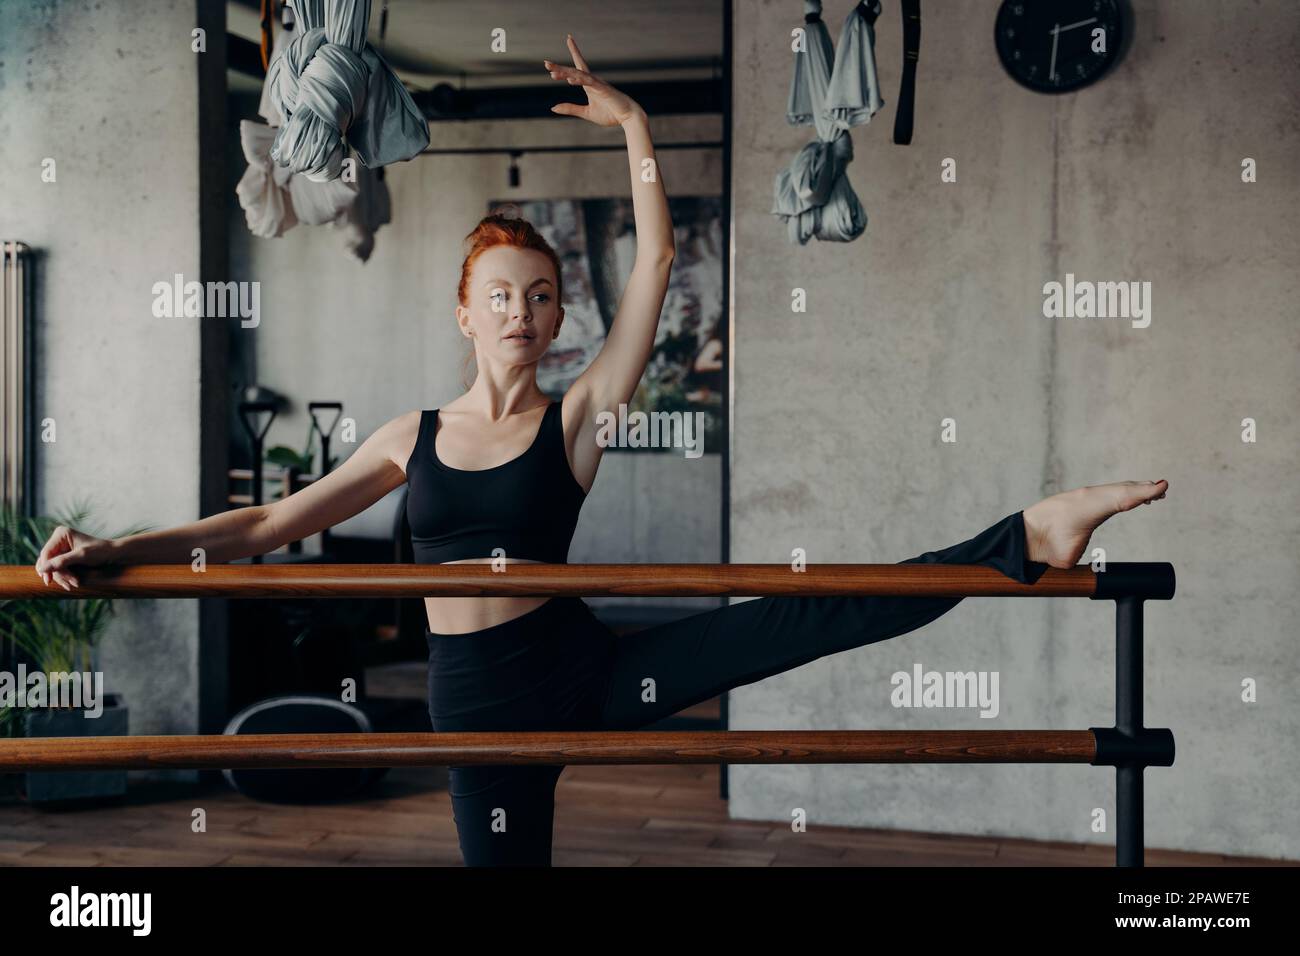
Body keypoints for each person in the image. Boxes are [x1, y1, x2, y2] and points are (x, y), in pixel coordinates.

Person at [33, 36, 1168, 867]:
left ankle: (1025, 533)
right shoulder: (408, 436)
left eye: (541, 295)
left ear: (557, 313)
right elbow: (263, 527)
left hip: (578, 669)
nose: (524, 311)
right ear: (463, 310)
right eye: (501, 296)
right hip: (470, 703)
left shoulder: (576, 416)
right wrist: (121, 545)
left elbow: (660, 265)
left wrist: (631, 125)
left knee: (809, 609)